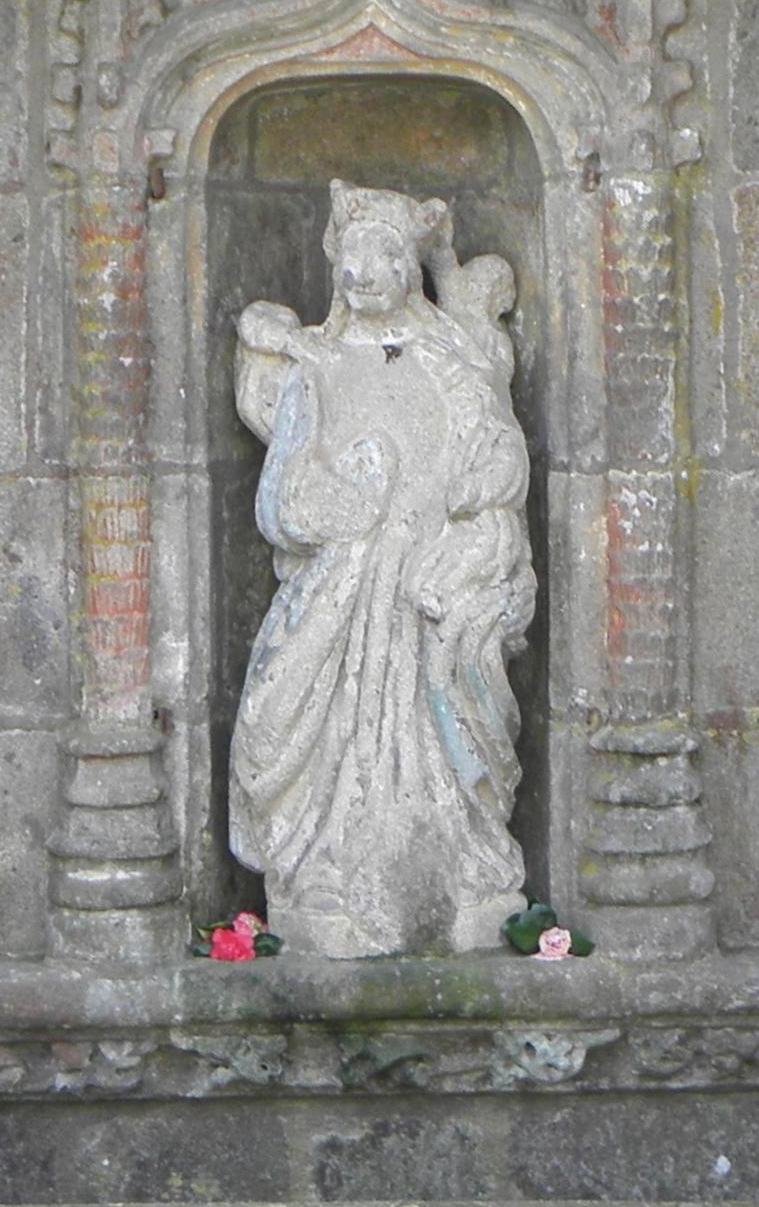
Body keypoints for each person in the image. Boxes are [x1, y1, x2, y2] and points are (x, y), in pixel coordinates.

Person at [228, 184, 536, 956]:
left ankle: (464, 870)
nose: (365, 271)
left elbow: (495, 462)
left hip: (430, 594)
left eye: (385, 254)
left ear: (411, 268)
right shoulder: (317, 365)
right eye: (353, 254)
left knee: (441, 726)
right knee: (295, 726)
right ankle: (322, 874)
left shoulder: (451, 362)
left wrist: (466, 544)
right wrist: (342, 500)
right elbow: (283, 499)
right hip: (338, 597)